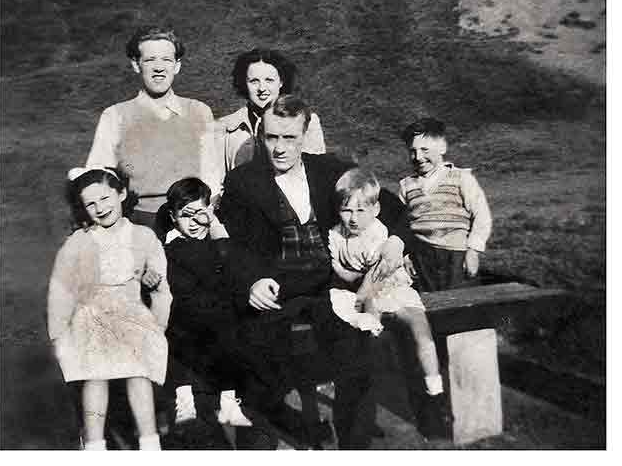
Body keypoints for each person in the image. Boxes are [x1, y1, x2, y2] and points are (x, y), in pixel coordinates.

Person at [218, 95, 374, 450]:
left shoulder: (330, 171)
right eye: (272, 138)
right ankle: (264, 441)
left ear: (304, 135)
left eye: (289, 138)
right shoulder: (243, 181)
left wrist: (395, 242)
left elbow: (387, 205)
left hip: (330, 284)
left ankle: (355, 446)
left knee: (356, 350)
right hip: (277, 288)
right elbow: (230, 246)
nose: (280, 148)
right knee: (256, 357)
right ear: (261, 136)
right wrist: (250, 281)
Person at [47, 166, 172, 450]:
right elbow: (61, 290)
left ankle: (149, 442)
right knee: (95, 375)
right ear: (82, 208)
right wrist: (58, 332)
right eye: (90, 204)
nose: (100, 208)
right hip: (91, 317)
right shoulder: (79, 242)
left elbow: (162, 288)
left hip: (131, 314)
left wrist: (156, 303)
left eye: (105, 199)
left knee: (138, 371)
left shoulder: (142, 236)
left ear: (122, 194)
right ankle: (94, 444)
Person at [327, 168, 449, 439]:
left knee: (421, 330)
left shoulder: (379, 233)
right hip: (364, 294)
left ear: (376, 208)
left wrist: (362, 284)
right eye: (347, 210)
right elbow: (338, 268)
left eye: (361, 211)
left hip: (393, 287)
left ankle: (435, 390)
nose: (354, 218)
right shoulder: (336, 235)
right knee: (368, 333)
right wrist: (355, 279)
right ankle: (364, 393)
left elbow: (379, 274)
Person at [86, 26, 221, 229]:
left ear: (177, 66)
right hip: (137, 224)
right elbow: (97, 181)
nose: (159, 67)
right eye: (150, 60)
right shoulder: (115, 116)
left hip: (191, 222)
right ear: (136, 64)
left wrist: (200, 220)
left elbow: (213, 177)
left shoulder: (200, 112)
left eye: (166, 60)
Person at [155, 177, 252, 431]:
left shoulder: (211, 236)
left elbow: (235, 265)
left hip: (216, 315)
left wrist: (215, 227)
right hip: (184, 317)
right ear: (173, 218)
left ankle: (229, 402)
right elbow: (218, 262)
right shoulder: (174, 244)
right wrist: (218, 235)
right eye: (186, 215)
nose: (195, 222)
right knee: (180, 345)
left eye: (201, 213)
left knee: (231, 334)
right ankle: (184, 400)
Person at [381, 118, 492, 292]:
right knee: (429, 303)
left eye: (424, 150)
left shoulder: (460, 178)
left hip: (455, 255)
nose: (418, 157)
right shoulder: (406, 185)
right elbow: (402, 224)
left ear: (442, 147)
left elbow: (481, 215)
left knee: (460, 301)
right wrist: (406, 256)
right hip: (421, 257)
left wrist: (473, 251)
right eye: (413, 151)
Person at [215, 48, 325, 185]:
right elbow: (215, 182)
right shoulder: (224, 126)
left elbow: (315, 175)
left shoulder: (308, 121)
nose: (262, 88)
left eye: (269, 80)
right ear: (244, 83)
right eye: (254, 81)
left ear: (281, 82)